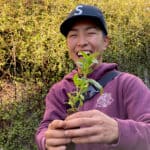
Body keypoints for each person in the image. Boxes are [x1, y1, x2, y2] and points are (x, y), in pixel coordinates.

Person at [35, 4, 150, 150]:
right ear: (67, 44)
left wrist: (119, 131)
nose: (81, 42)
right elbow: (44, 129)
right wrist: (46, 140)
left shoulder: (128, 84)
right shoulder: (59, 91)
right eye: (73, 35)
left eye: (90, 33)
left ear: (105, 42)